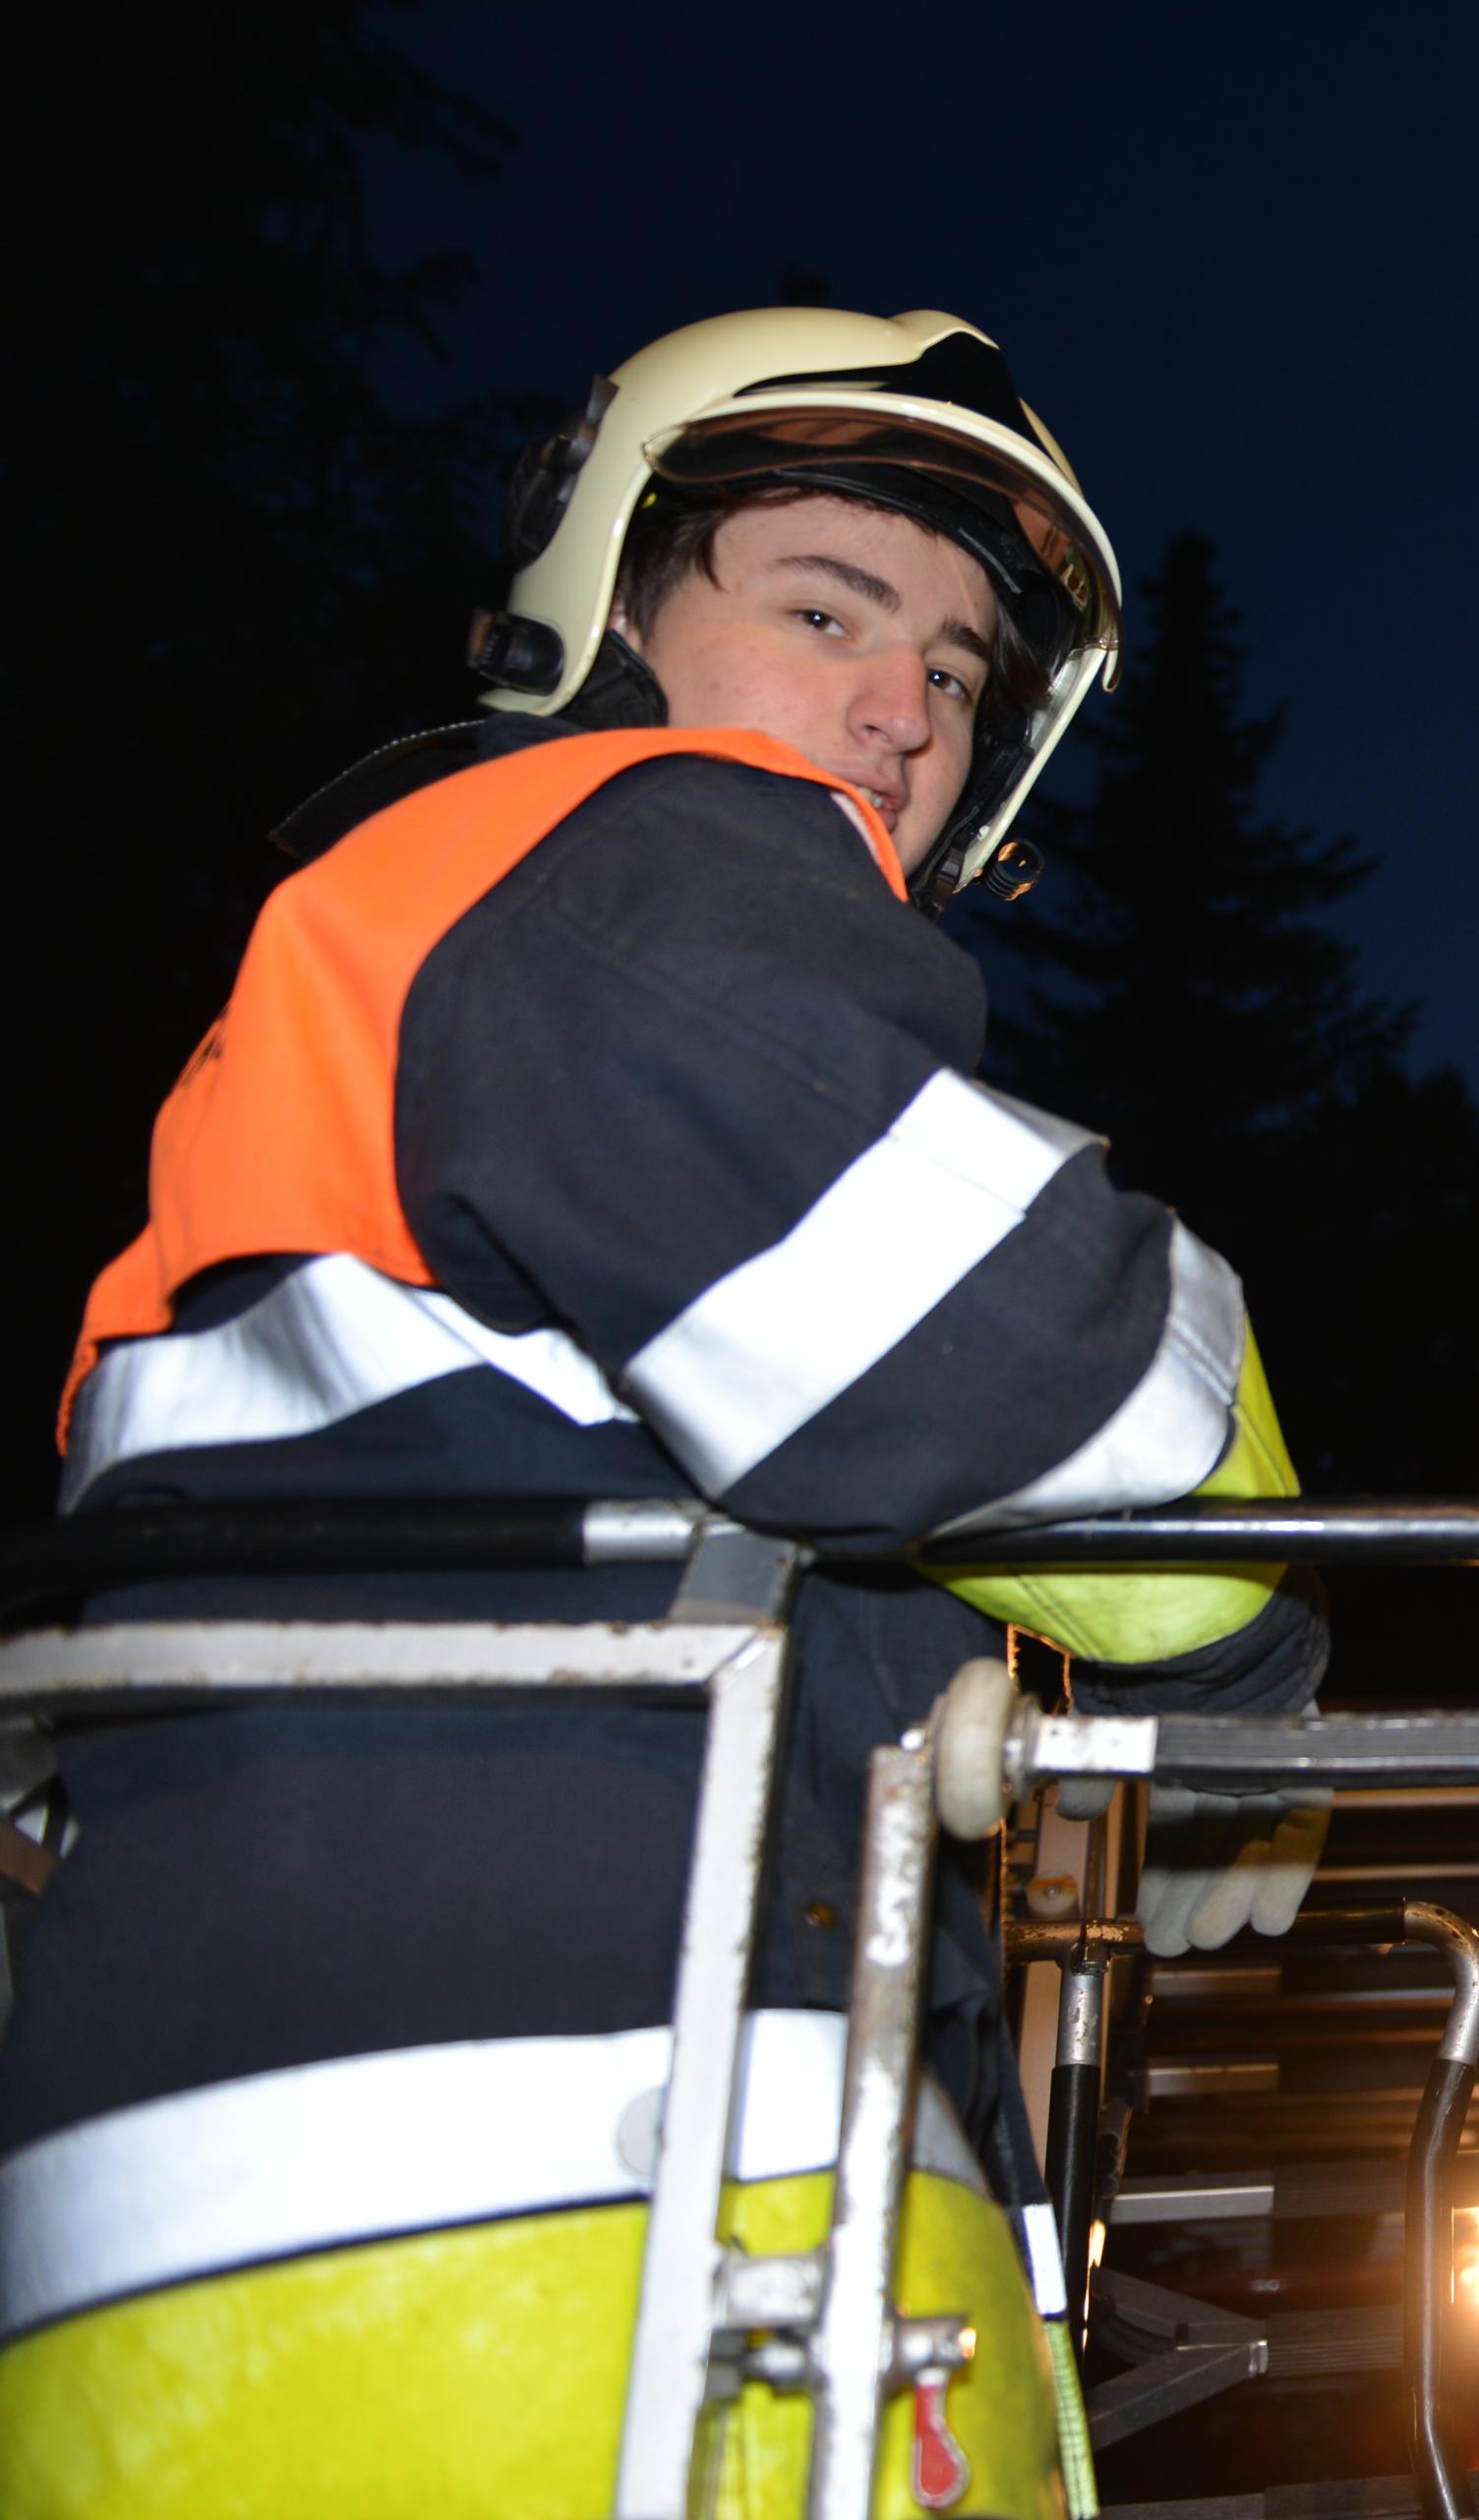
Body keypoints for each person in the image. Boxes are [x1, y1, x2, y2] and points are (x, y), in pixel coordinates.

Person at [0, 307, 1330, 2516]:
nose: (903, 708)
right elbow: (1065, 1372)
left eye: (960, 670)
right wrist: (1248, 1676)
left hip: (289, 2193)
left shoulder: (399, 944)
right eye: (825, 611)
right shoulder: (626, 857)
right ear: (611, 611)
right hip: (553, 2183)